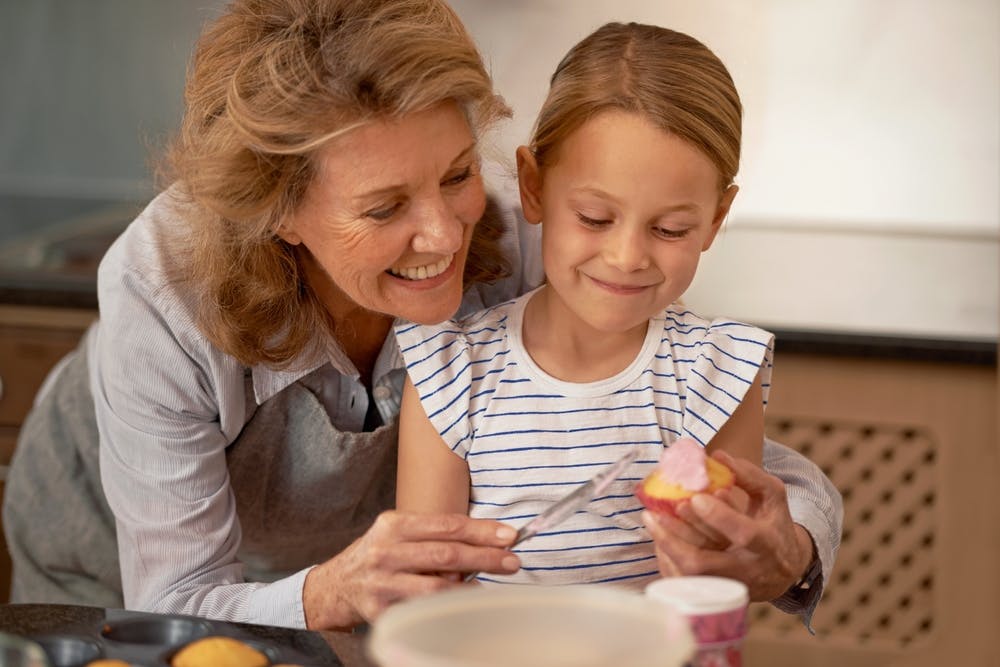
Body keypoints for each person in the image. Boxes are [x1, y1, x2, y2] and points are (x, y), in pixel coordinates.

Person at [2, 0, 840, 632]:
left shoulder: (529, 236)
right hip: (111, 576)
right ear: (279, 212)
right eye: (383, 207)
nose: (445, 234)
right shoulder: (165, 292)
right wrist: (328, 588)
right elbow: (174, 599)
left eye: (453, 173)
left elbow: (698, 432)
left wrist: (787, 547)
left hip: (366, 592)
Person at [396, 20, 833, 624]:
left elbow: (716, 592)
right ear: (533, 186)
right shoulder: (451, 370)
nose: (627, 257)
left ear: (716, 218)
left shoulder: (718, 372)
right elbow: (425, 602)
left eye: (670, 229)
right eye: (596, 217)